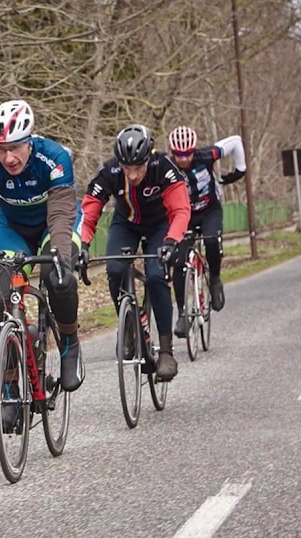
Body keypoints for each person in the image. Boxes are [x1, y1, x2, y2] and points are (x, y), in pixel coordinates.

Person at [0, 100, 85, 399]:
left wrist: (60, 255)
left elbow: (60, 213)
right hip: (13, 229)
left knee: (57, 275)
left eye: (15, 148)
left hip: (54, 224)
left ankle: (69, 342)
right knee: (0, 293)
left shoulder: (54, 157)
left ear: (30, 141)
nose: (8, 157)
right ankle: (8, 385)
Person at [76, 124, 190, 380]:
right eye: (127, 169)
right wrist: (82, 245)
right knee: (115, 269)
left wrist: (172, 241)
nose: (133, 175)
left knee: (156, 276)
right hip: (125, 223)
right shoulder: (110, 171)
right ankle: (131, 325)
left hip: (159, 225)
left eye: (139, 167)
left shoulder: (164, 168)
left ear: (148, 157)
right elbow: (90, 208)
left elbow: (181, 209)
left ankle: (166, 351)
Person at [166, 125, 247, 336]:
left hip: (209, 209)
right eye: (178, 155)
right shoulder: (166, 165)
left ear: (194, 150)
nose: (183, 159)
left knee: (211, 240)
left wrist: (240, 170)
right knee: (179, 260)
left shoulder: (207, 155)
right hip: (184, 214)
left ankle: (216, 279)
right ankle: (183, 313)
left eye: (187, 154)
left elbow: (236, 141)